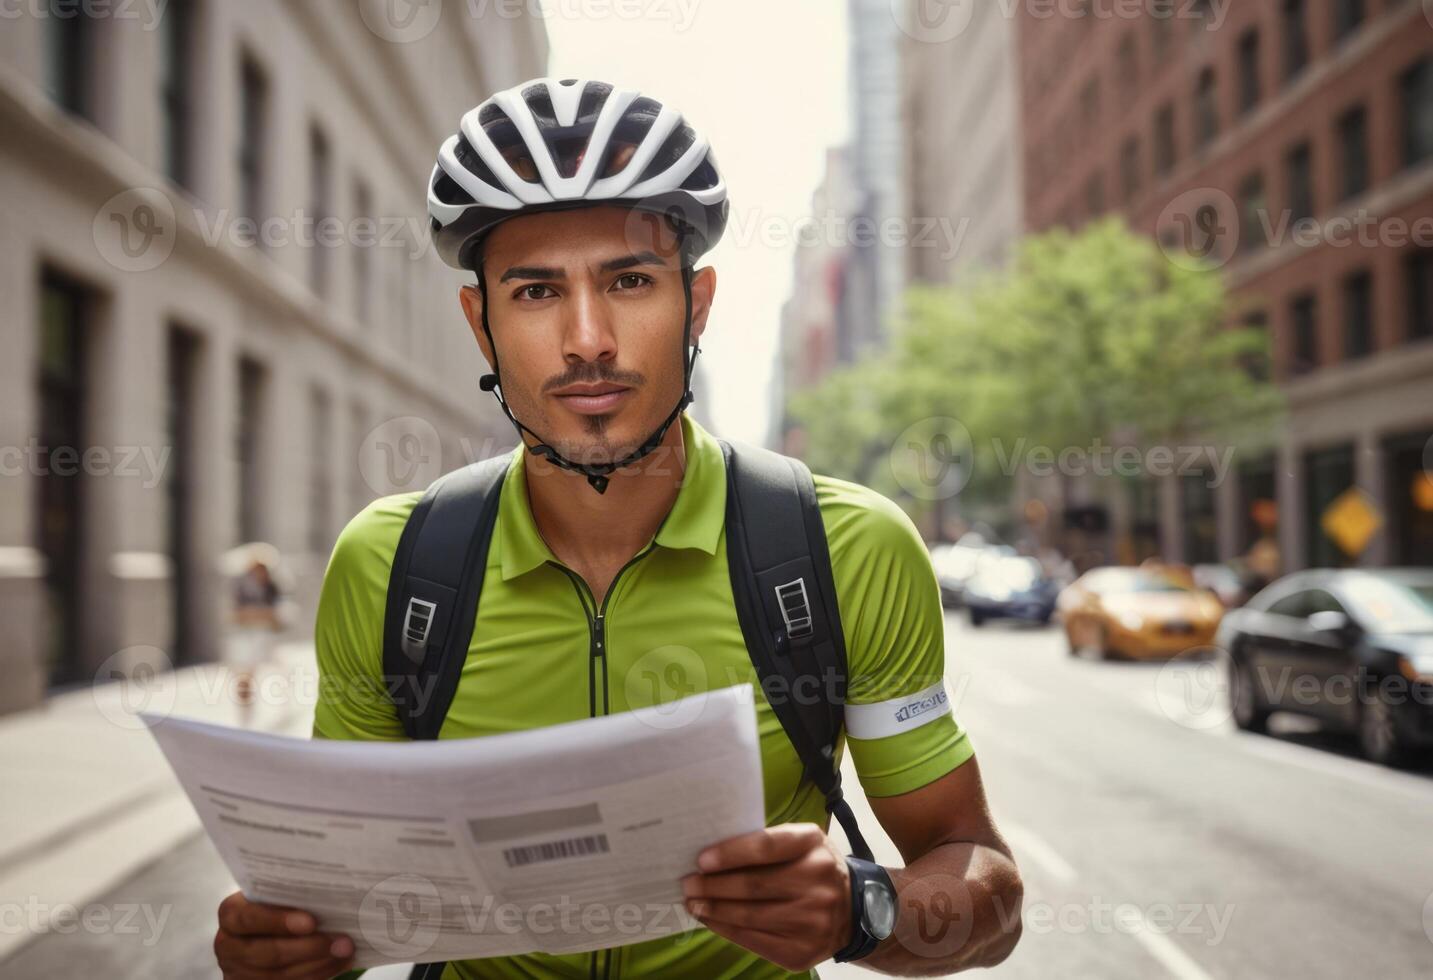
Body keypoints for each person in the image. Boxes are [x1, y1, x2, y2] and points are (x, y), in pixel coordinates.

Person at [212, 77, 1023, 979]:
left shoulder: (843, 548)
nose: (588, 338)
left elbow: (983, 885)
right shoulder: (393, 564)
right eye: (534, 292)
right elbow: (351, 901)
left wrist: (860, 908)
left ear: (697, 305)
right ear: (480, 323)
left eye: (630, 281)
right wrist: (287, 950)